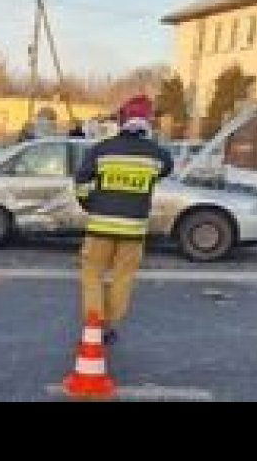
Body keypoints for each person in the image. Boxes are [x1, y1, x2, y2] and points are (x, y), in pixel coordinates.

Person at [73, 95, 174, 346]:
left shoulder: (102, 150)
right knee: (122, 277)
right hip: (134, 229)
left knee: (93, 274)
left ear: (122, 120)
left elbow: (81, 181)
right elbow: (165, 170)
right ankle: (109, 326)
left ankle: (94, 322)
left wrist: (90, 203)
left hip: (100, 226)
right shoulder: (158, 155)